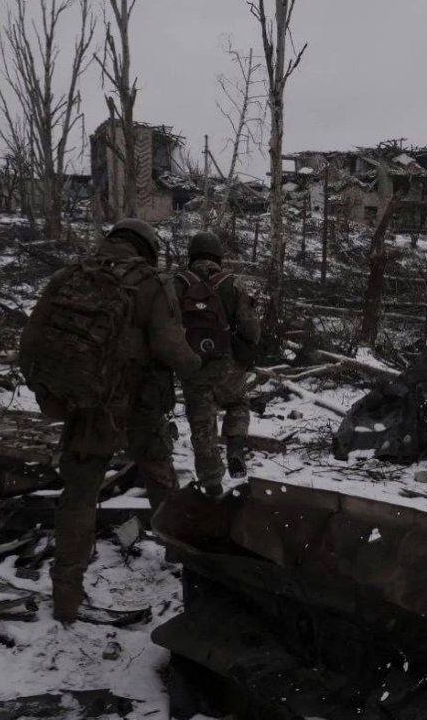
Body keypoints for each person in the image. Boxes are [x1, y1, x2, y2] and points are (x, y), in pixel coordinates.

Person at [20, 219, 200, 623]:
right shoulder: (152, 283)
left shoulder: (71, 276)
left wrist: (53, 391)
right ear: (146, 248)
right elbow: (170, 348)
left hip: (90, 404)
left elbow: (30, 342)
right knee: (160, 476)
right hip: (141, 405)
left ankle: (66, 594)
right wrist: (197, 365)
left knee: (79, 494)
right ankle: (180, 557)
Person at [174, 230, 260, 496]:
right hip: (228, 365)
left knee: (202, 427)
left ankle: (212, 485)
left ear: (191, 255)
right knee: (238, 403)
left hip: (193, 366)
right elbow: (251, 329)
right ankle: (235, 447)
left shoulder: (177, 283)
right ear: (218, 256)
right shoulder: (233, 283)